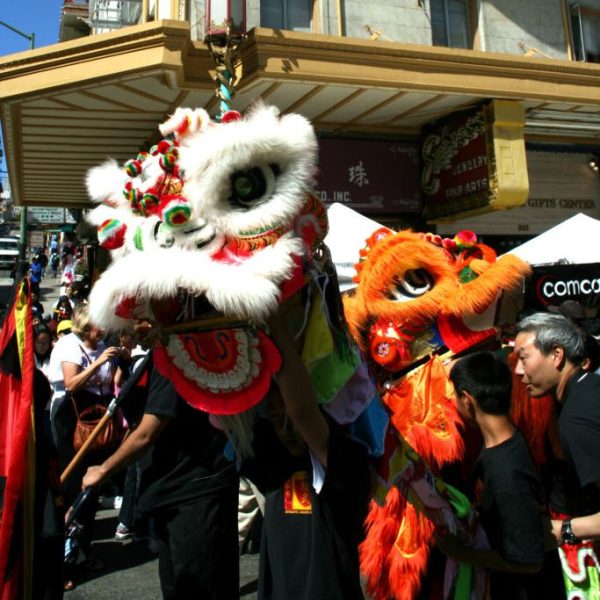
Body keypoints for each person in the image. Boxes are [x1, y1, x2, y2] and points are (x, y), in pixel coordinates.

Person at [82, 355, 240, 600]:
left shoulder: (178, 354)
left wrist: (104, 469)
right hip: (172, 492)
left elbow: (147, 432)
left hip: (192, 494)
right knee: (174, 585)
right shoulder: (157, 355)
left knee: (199, 587)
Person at [239, 308, 371, 600]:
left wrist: (277, 323)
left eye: (285, 415)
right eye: (273, 415)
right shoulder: (271, 457)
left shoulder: (346, 460)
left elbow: (301, 412)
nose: (283, 424)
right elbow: (234, 413)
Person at [438, 351, 546, 598]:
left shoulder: (506, 475)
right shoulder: (504, 440)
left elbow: (529, 561)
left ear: (467, 400)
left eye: (454, 395)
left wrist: (460, 553)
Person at [48, 304, 122, 590]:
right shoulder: (70, 345)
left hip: (98, 417)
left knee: (92, 486)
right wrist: (98, 361)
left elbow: (110, 382)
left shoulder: (103, 343)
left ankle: (84, 548)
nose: (102, 330)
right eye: (97, 325)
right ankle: (62, 560)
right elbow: (72, 384)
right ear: (84, 326)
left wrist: (119, 361)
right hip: (72, 419)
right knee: (70, 487)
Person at [514, 313, 600, 543]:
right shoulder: (591, 386)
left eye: (524, 359)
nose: (518, 371)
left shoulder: (575, 421)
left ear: (556, 355)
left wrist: (562, 529)